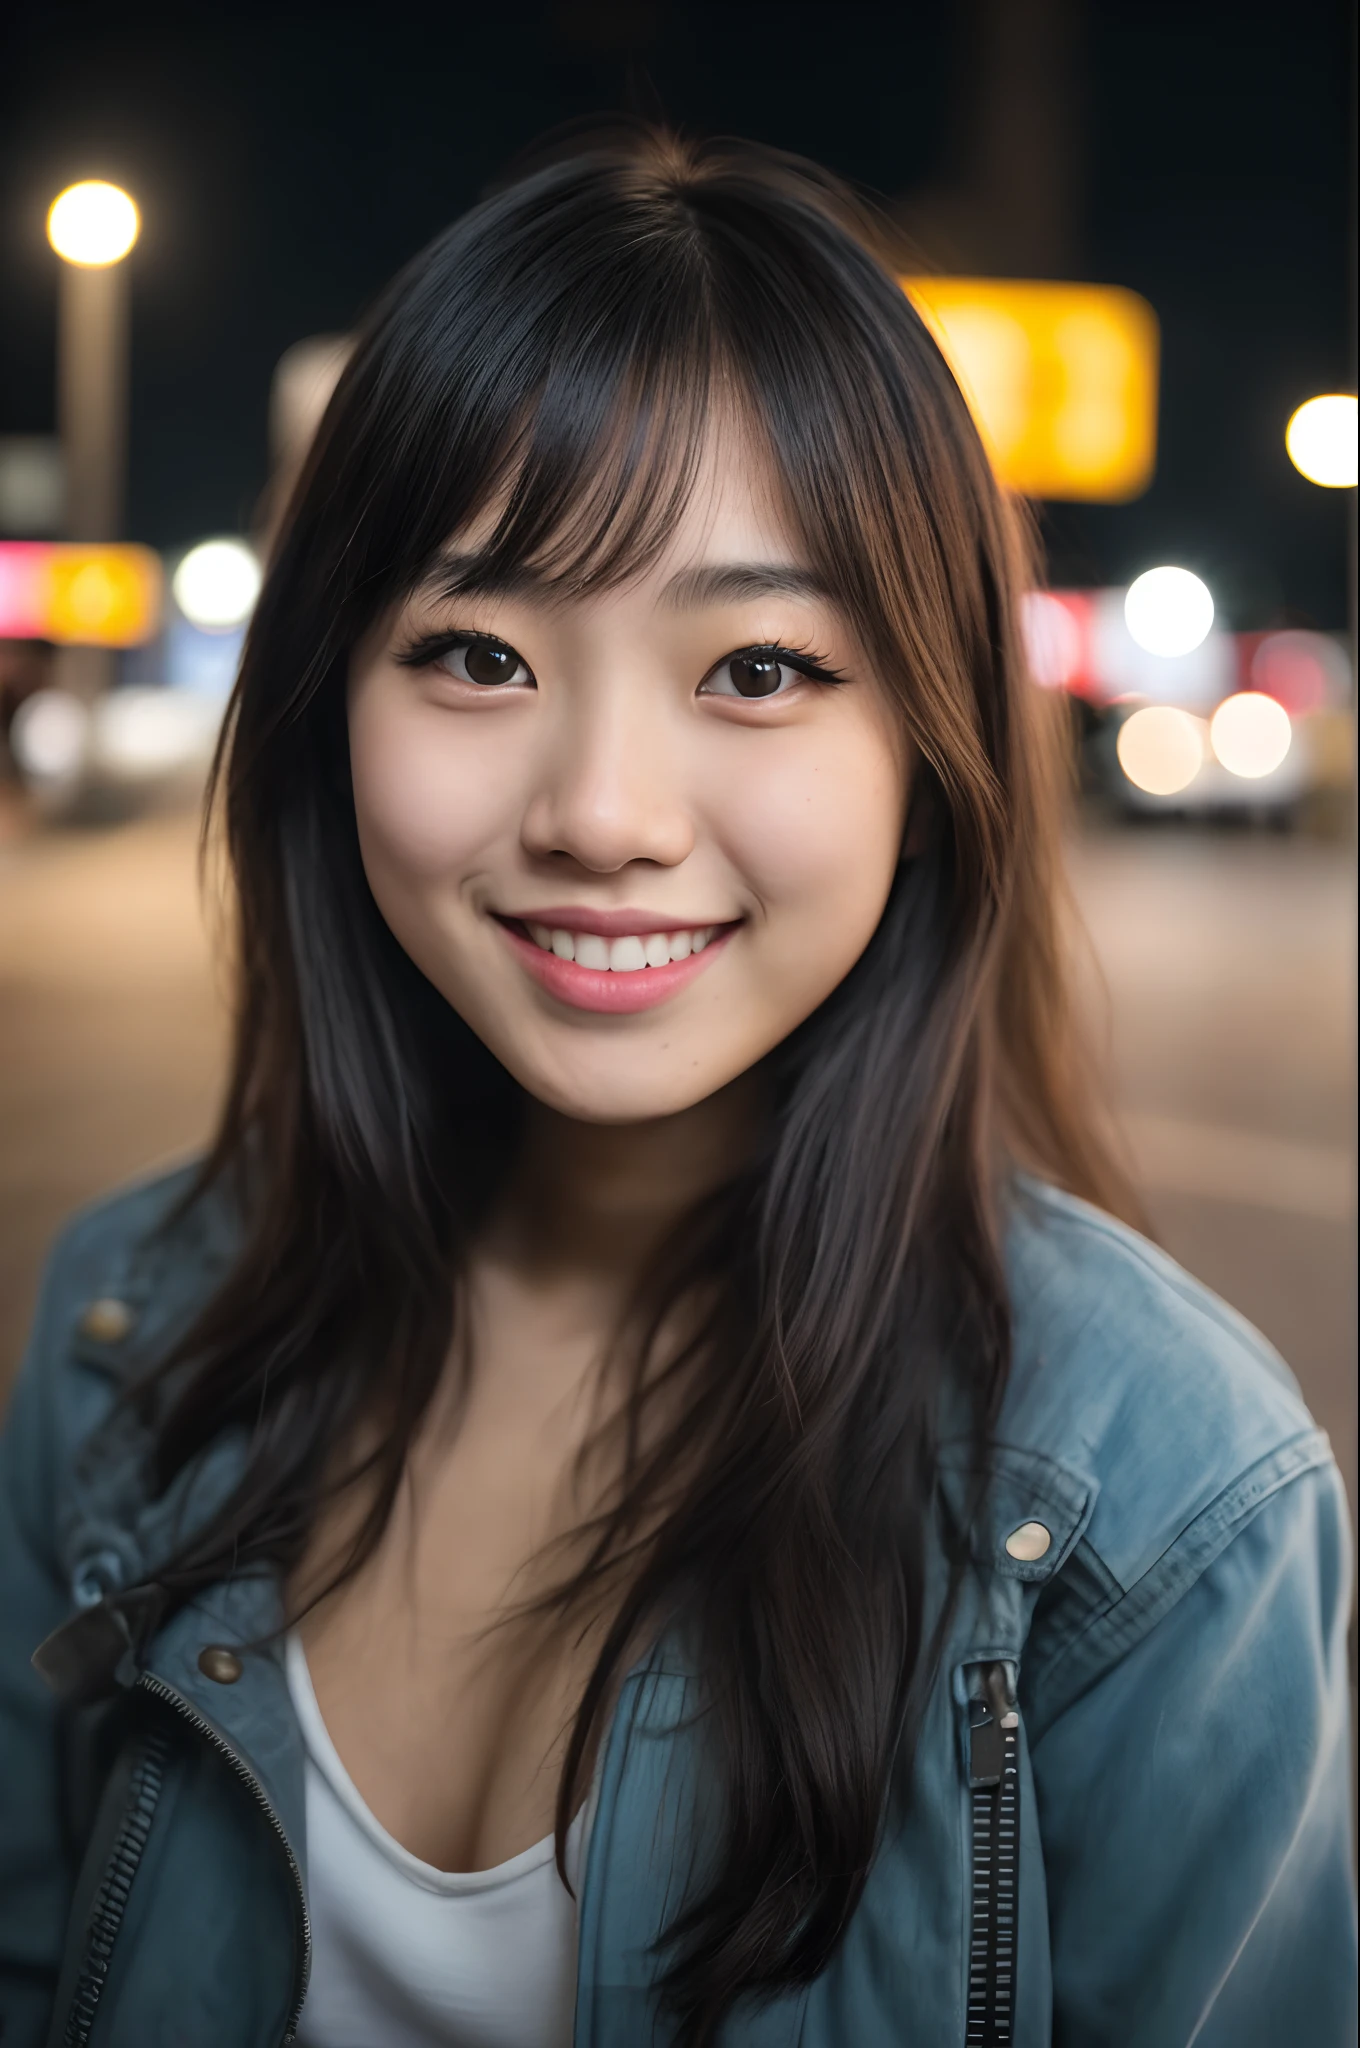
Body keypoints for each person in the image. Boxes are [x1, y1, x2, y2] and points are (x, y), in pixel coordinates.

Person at [0, 127, 1352, 2048]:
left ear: (931, 740)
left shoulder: (1163, 1498)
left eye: (761, 668)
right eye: (475, 652)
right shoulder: (126, 1331)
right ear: (323, 705)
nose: (603, 816)